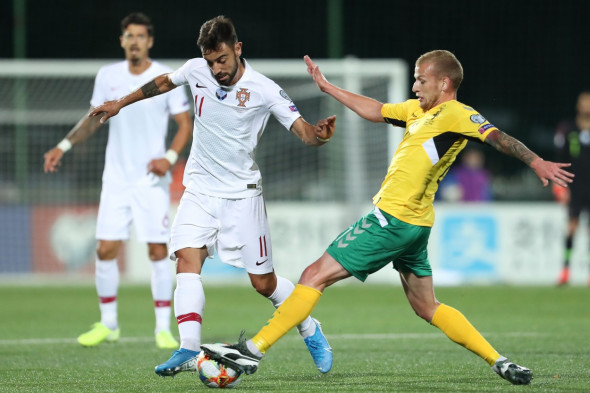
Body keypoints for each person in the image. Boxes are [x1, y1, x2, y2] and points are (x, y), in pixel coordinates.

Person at [201, 50, 575, 386]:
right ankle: (501, 362)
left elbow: (499, 138)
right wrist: (328, 88)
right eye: (414, 78)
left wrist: (535, 161)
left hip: (391, 221)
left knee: (314, 276)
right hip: (415, 227)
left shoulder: (458, 114)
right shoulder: (417, 112)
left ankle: (252, 349)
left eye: (421, 80)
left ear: (445, 83)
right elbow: (376, 109)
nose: (414, 86)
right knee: (427, 307)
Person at [89, 15, 336, 377]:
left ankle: (310, 328)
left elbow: (305, 134)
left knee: (263, 283)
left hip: (243, 196)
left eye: (222, 60)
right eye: (210, 62)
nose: (216, 69)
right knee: (187, 260)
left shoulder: (264, 89)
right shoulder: (197, 69)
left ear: (237, 49)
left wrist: (322, 135)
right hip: (200, 189)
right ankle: (188, 348)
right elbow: (162, 82)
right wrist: (120, 103)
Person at [43, 12, 193, 349]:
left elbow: (185, 124)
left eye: (141, 36)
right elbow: (93, 120)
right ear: (122, 40)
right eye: (130, 35)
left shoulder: (163, 77)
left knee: (157, 250)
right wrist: (63, 145)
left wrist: (168, 159)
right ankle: (109, 324)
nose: (135, 41)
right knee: (105, 248)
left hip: (151, 180)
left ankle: (162, 329)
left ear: (149, 41)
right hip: (116, 178)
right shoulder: (107, 75)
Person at [553, 91, 590, 285]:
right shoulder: (568, 128)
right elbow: (560, 158)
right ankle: (565, 270)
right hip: (574, 186)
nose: (586, 106)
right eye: (583, 102)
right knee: (572, 228)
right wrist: (559, 185)